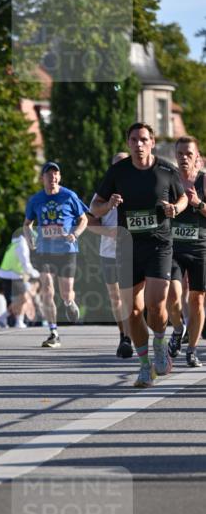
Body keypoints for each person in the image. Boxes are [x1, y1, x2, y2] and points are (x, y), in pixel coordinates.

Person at [91, 122, 187, 387]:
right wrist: (108, 204)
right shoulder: (117, 171)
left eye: (144, 139)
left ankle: (159, 343)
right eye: (134, 140)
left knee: (156, 305)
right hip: (128, 248)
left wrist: (175, 209)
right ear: (128, 143)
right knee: (133, 311)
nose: (139, 144)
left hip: (158, 245)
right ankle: (144, 366)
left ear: (152, 142)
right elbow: (94, 207)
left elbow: (184, 199)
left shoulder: (166, 170)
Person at [23, 161, 89, 348]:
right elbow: (27, 224)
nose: (53, 178)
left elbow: (84, 219)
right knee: (47, 289)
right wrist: (30, 240)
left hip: (67, 250)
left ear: (59, 177)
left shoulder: (69, 196)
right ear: (42, 178)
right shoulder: (36, 199)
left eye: (56, 174)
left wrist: (75, 234)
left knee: (65, 292)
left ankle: (69, 302)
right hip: (45, 251)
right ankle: (53, 332)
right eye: (49, 175)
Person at [87, 152, 133, 359]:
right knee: (116, 298)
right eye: (116, 165)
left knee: (133, 298)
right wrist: (110, 232)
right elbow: (89, 220)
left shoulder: (136, 187)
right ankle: (124, 337)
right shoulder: (104, 192)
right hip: (109, 251)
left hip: (134, 251)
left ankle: (137, 335)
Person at [165, 135, 206, 367]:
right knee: (172, 293)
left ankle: (192, 350)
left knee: (198, 301)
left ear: (196, 158)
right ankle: (179, 329)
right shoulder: (169, 181)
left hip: (200, 248)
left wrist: (199, 204)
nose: (184, 158)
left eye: (189, 154)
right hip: (173, 248)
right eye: (180, 154)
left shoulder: (204, 181)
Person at [0, 231, 40, 327]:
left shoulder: (15, 243)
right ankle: (4, 318)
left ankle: (16, 321)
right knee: (24, 298)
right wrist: (36, 274)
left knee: (21, 299)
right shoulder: (22, 245)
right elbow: (25, 264)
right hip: (13, 274)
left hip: (8, 274)